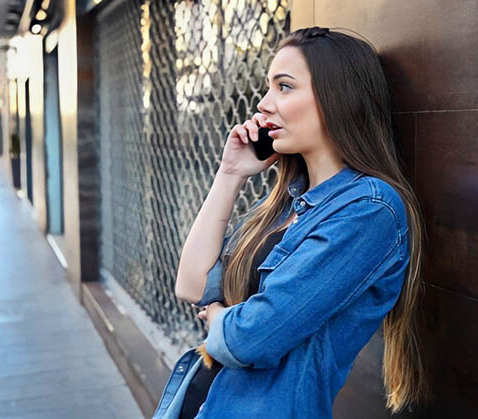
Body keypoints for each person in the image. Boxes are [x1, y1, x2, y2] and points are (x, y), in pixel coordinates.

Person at [174, 26, 428, 418]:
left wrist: (222, 319)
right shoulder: (284, 203)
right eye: (268, 87)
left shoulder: (370, 211)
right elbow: (191, 284)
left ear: (336, 98)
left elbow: (253, 338)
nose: (263, 104)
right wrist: (230, 175)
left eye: (284, 87)